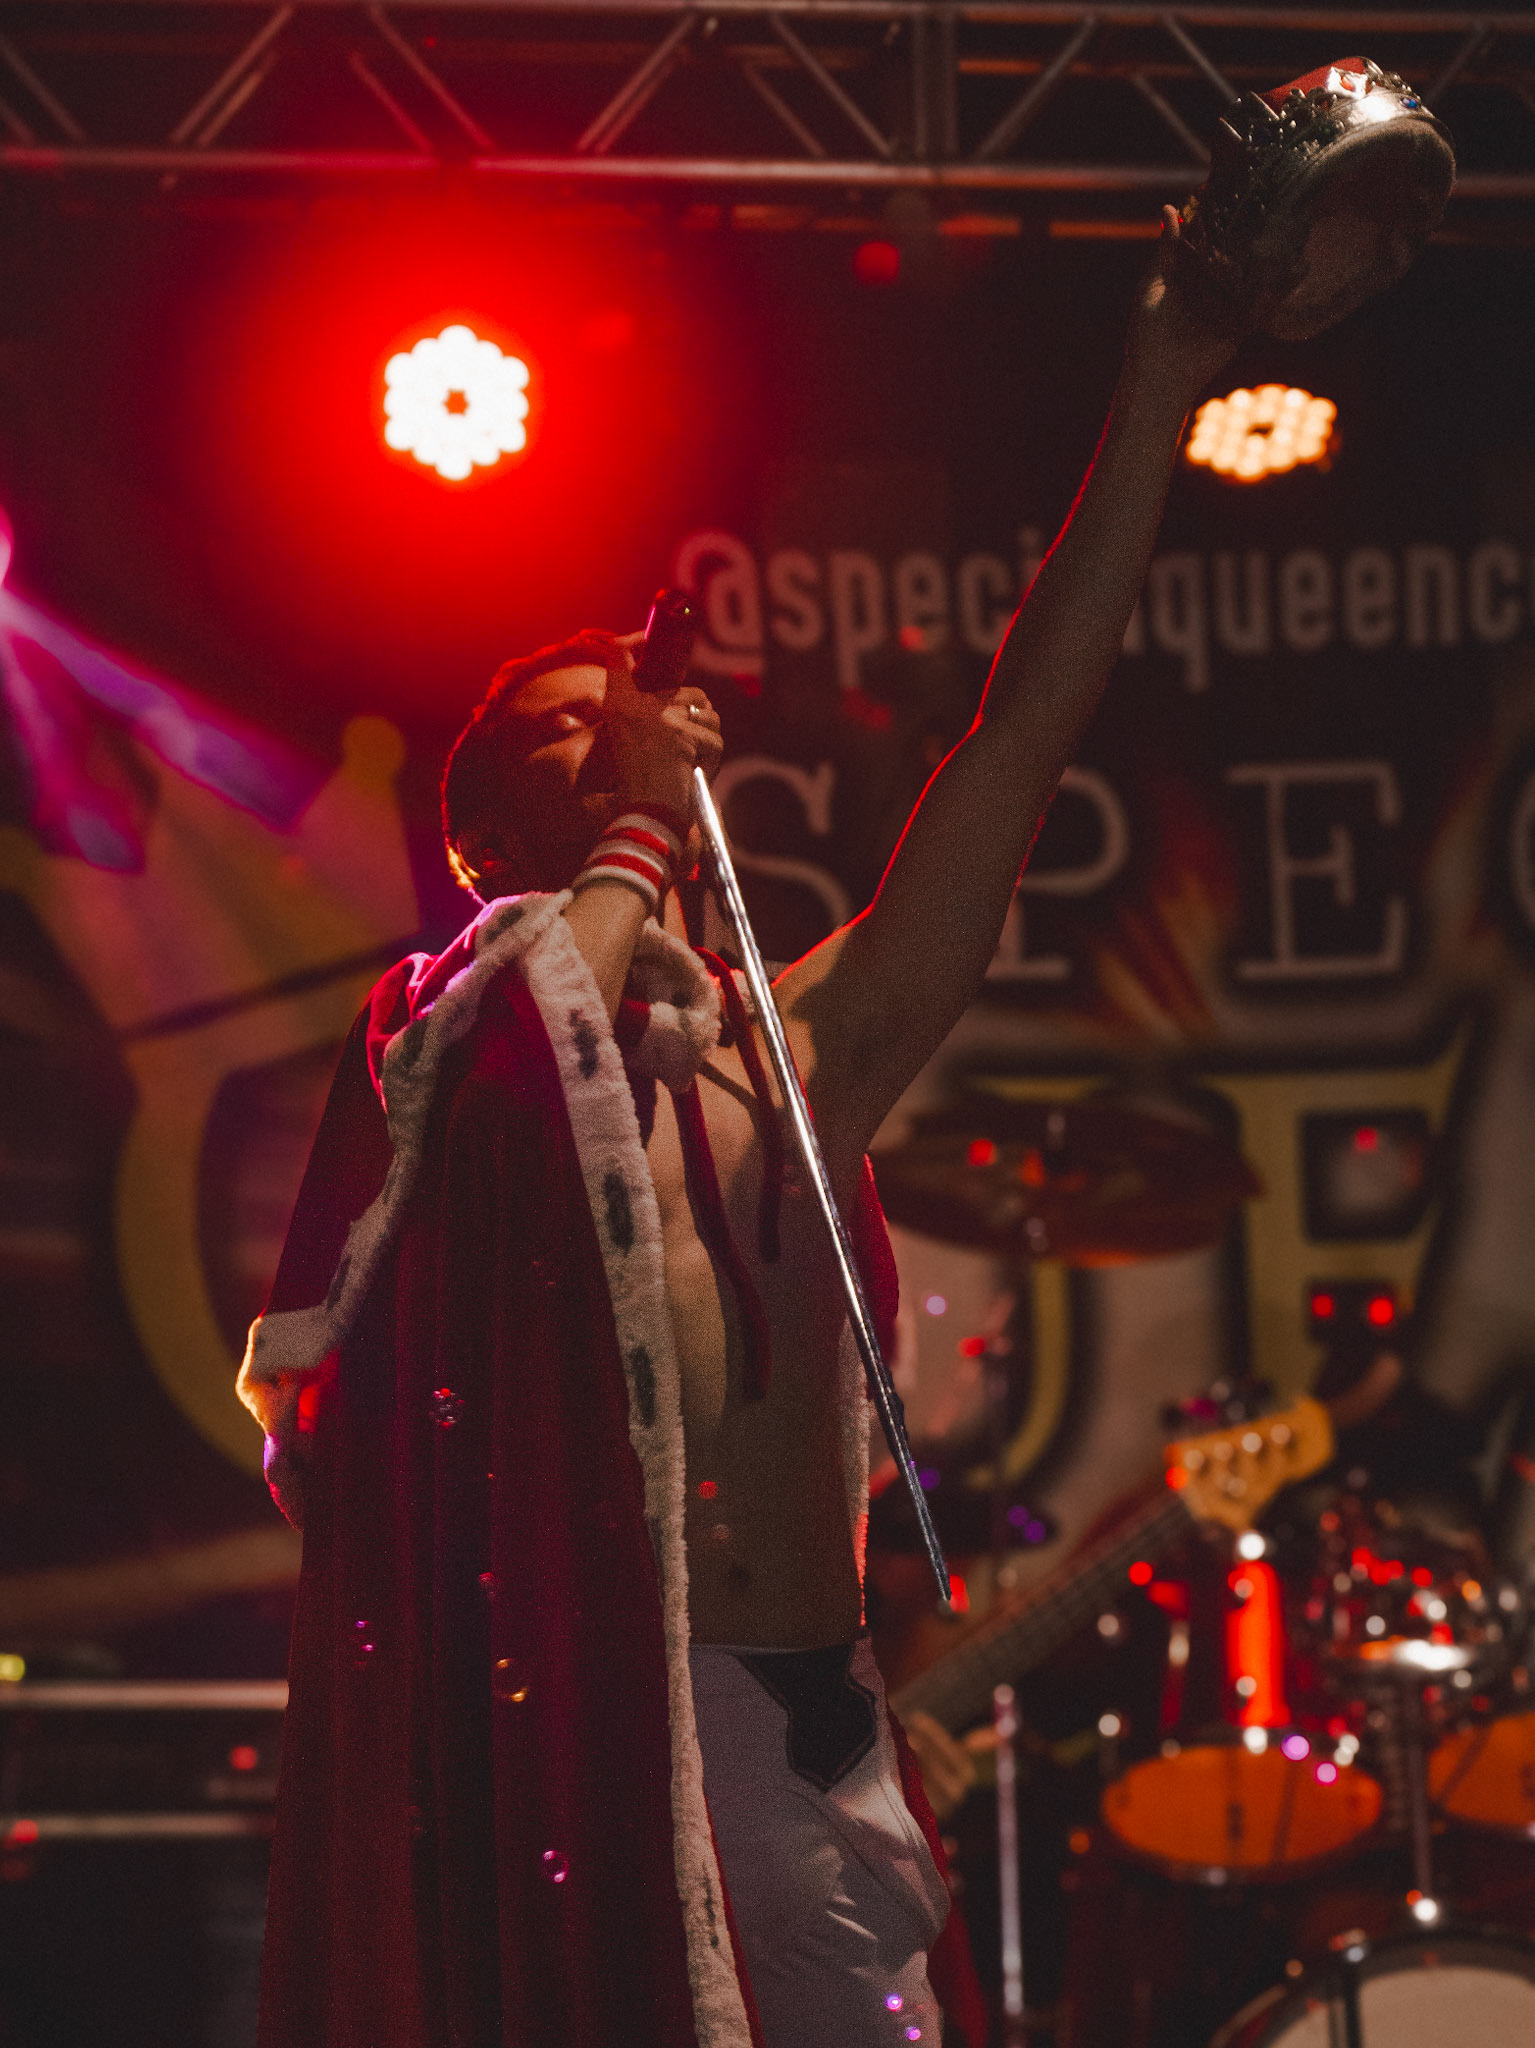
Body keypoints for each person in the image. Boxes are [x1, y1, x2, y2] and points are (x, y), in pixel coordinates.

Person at [237, 214, 1239, 2048]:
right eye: (570, 736)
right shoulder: (446, 1056)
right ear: (486, 843)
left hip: (815, 1720)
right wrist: (632, 820)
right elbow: (524, 1063)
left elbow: (1023, 735)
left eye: (631, 727)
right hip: (598, 1754)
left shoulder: (797, 1055)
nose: (623, 740)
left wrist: (1162, 382)